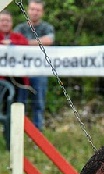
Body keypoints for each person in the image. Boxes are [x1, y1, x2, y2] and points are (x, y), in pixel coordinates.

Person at [14, 0, 55, 131]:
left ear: (42, 12)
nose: (35, 12)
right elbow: (14, 43)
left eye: (37, 10)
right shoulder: (20, 27)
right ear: (28, 10)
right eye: (32, 9)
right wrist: (36, 42)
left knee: (39, 104)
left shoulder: (46, 27)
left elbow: (48, 40)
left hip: (40, 71)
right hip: (22, 72)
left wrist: (25, 42)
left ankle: (38, 133)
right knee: (20, 103)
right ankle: (20, 133)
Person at [0, 9, 29, 150]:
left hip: (18, 83)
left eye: (7, 20)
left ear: (12, 23)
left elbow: (26, 49)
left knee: (17, 112)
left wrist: (11, 46)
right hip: (2, 82)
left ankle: (14, 141)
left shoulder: (18, 37)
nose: (4, 23)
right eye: (2, 20)